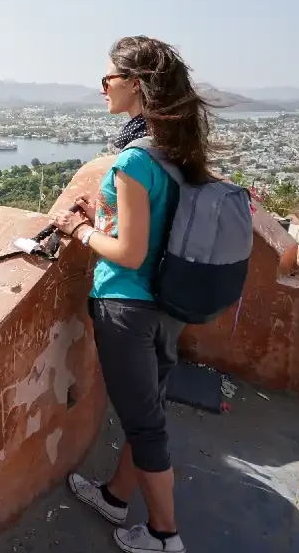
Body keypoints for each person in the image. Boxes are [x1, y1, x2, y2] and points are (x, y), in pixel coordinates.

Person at [50, 36, 214, 553]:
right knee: (150, 412)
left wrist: (78, 232)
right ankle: (116, 497)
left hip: (128, 307)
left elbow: (127, 251)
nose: (102, 89)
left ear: (136, 85)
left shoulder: (134, 162)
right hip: (168, 304)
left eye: (108, 80)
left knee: (145, 425)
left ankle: (166, 536)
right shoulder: (176, 152)